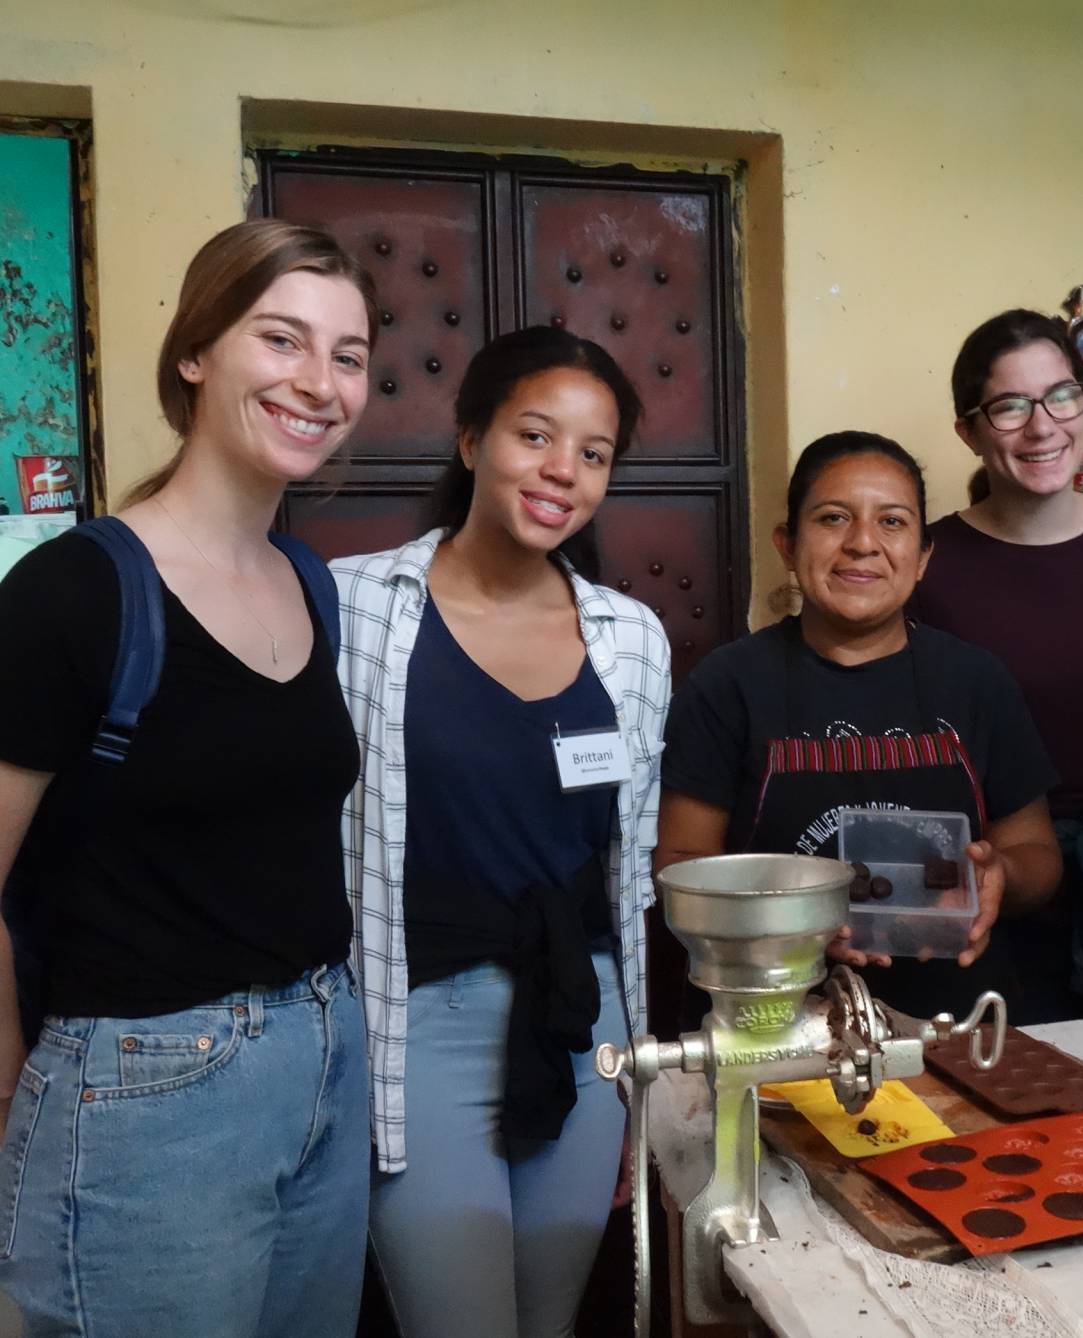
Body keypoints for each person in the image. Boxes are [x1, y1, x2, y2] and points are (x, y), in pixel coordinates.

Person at [0, 219, 377, 1336]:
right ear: (197, 352)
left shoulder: (307, 581)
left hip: (321, 1050)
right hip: (144, 1090)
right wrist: (31, 1101)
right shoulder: (72, 595)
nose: (319, 382)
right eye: (282, 339)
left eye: (348, 356)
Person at [334, 326, 668, 1338]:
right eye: (535, 435)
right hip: (414, 1018)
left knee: (552, 1317)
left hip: (583, 1017)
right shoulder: (355, 608)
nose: (562, 471)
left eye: (594, 452)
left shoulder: (630, 637)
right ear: (471, 437)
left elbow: (631, 873)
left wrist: (640, 1064)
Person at [656, 431, 1063, 1021]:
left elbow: (1037, 853)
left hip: (959, 1025)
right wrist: (793, 926)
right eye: (833, 518)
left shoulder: (976, 681)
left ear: (923, 557)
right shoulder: (729, 685)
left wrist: (1000, 874)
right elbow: (681, 860)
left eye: (892, 522)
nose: (863, 544)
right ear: (788, 544)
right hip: (777, 1021)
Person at [909, 309, 1083, 1022]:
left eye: (1061, 396)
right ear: (968, 431)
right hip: (995, 897)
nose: (1042, 427)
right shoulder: (925, 568)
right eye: (1009, 406)